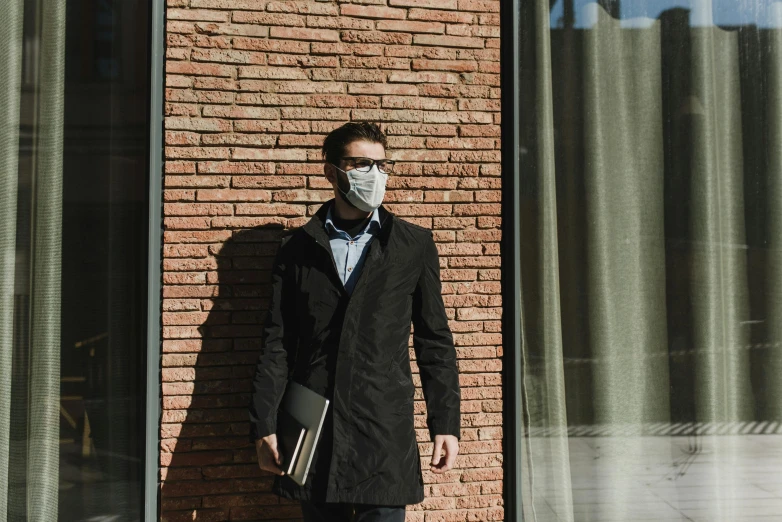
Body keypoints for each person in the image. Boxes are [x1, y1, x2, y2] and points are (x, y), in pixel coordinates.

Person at [249, 122, 461, 522]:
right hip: (313, 422)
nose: (375, 175)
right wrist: (263, 425)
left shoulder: (412, 245)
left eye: (381, 165)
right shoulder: (297, 249)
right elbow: (276, 342)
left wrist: (445, 423)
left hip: (381, 424)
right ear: (332, 171)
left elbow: (434, 340)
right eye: (361, 164)